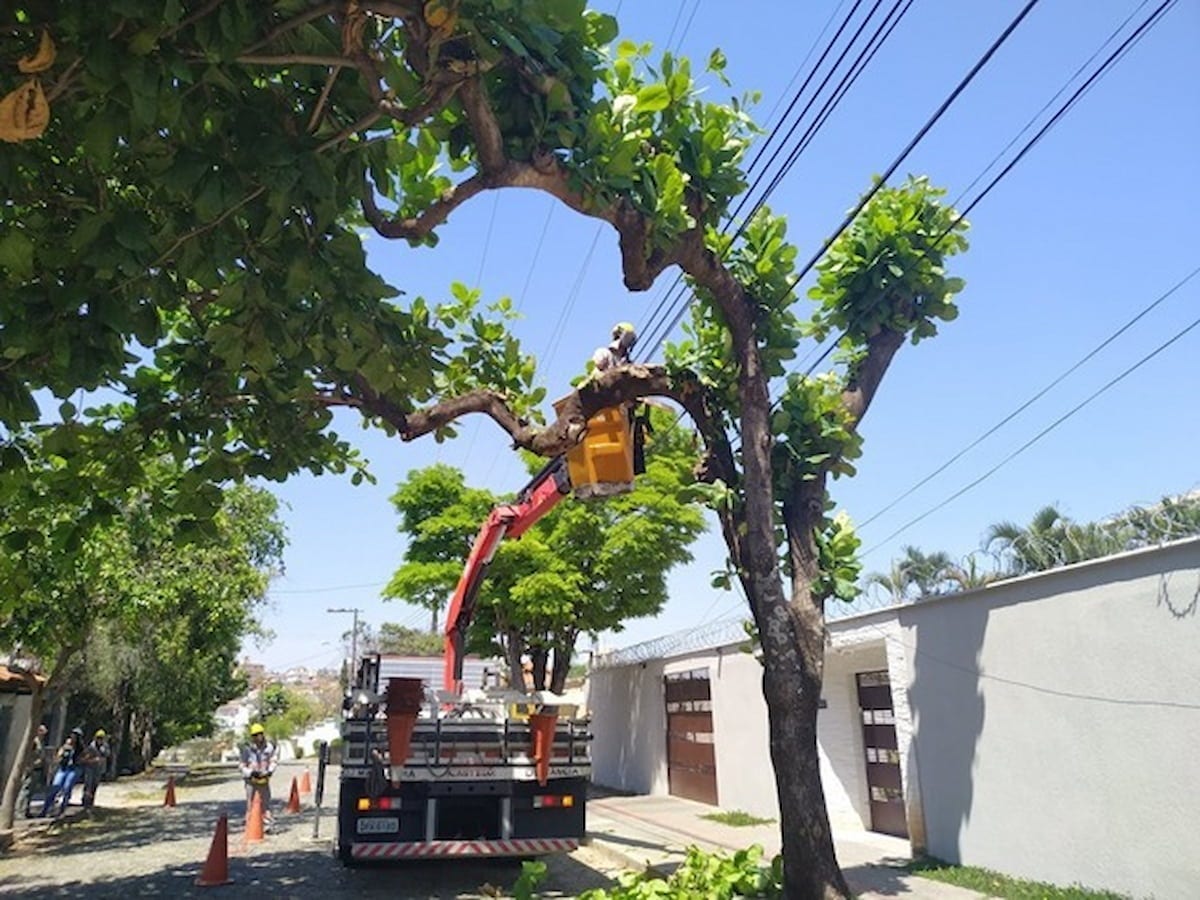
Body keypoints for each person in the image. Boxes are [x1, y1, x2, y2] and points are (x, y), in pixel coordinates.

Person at [40, 728, 84, 817]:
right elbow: (59, 755)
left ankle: (62, 810)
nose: (73, 737)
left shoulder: (81, 748)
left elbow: (83, 757)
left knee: (67, 787)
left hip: (74, 769)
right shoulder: (66, 745)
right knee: (55, 787)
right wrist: (62, 753)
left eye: (76, 735)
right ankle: (45, 810)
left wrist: (80, 760)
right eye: (73, 734)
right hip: (63, 768)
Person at [239, 723, 277, 826]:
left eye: (259, 734)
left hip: (264, 778)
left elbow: (273, 760)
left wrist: (270, 771)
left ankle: (267, 822)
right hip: (251, 780)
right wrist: (250, 772)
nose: (258, 737)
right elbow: (242, 766)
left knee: (265, 802)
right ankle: (251, 823)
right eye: (255, 735)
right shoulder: (247, 749)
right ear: (252, 737)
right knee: (251, 802)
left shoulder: (269, 747)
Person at [18, 723, 49, 818]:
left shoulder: (41, 742)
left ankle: (26, 810)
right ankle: (20, 811)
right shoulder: (34, 742)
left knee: (31, 792)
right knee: (25, 791)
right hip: (32, 769)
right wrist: (29, 766)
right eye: (41, 732)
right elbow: (28, 756)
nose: (43, 734)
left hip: (38, 770)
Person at [80, 729, 111, 808]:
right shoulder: (91, 746)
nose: (100, 740)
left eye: (101, 738)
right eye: (98, 738)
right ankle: (85, 801)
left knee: (94, 785)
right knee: (88, 784)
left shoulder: (105, 746)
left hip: (99, 769)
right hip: (90, 768)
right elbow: (86, 756)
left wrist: (103, 751)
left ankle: (91, 801)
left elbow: (107, 754)